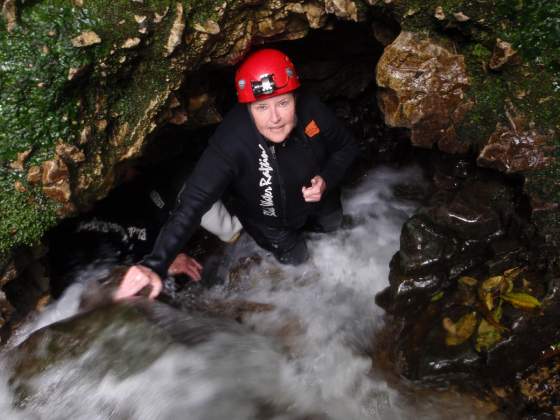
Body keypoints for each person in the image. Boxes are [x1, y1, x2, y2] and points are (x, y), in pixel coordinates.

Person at [115, 48, 359, 300]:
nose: (274, 118)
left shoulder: (312, 109)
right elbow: (193, 203)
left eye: (283, 103)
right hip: (271, 224)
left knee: (335, 230)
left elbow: (347, 147)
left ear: (295, 97)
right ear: (248, 107)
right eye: (261, 107)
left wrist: (327, 178)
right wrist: (154, 263)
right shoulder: (232, 140)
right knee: (301, 266)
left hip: (323, 198)